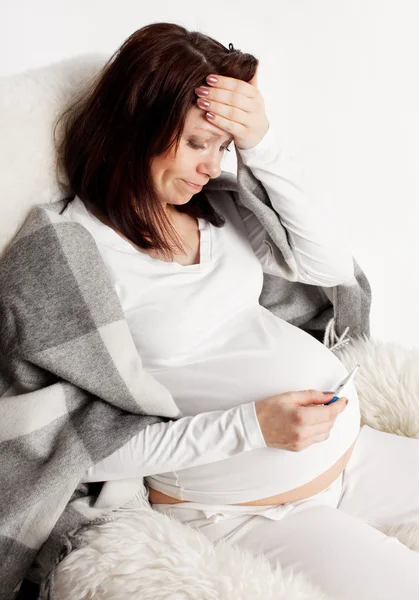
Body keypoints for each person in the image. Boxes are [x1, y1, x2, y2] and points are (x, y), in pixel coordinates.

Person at [54, 22, 419, 599]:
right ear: (135, 127)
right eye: (197, 143)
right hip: (248, 510)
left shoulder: (215, 204)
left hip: (353, 455)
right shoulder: (74, 257)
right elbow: (78, 451)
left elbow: (327, 267)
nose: (211, 166)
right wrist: (252, 425)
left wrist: (262, 146)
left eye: (221, 147)